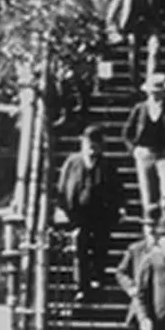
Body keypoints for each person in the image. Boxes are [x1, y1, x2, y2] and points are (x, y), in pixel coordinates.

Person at [57, 124, 125, 302]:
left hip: (101, 216)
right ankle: (81, 286)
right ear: (82, 145)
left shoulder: (108, 166)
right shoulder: (72, 163)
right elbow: (62, 188)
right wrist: (61, 208)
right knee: (80, 249)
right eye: (88, 145)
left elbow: (118, 190)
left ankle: (98, 280)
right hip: (78, 215)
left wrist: (120, 208)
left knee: (100, 248)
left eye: (95, 146)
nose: (92, 150)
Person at [122, 74, 165, 222]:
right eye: (153, 92)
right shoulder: (139, 109)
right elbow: (127, 133)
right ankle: (150, 230)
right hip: (145, 153)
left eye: (159, 92)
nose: (156, 95)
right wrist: (133, 150)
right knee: (148, 195)